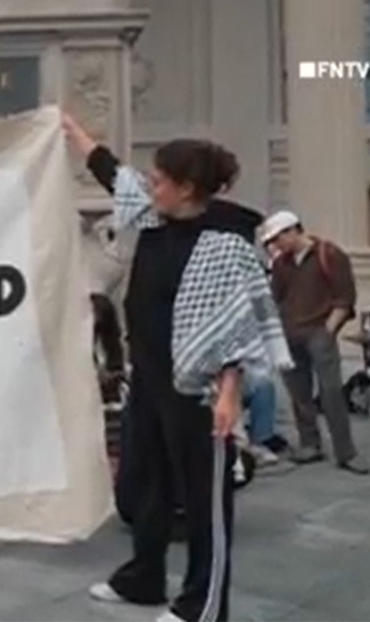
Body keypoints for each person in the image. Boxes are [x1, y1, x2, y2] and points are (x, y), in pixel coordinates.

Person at [65, 113, 289, 622]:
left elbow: (236, 327)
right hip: (149, 379)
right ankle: (144, 579)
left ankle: (202, 605)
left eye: (159, 180)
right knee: (146, 483)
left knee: (204, 501)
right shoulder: (156, 219)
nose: (149, 185)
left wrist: (231, 394)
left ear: (186, 189)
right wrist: (77, 137)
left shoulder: (224, 243)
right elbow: (114, 174)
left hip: (199, 391)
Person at [260, 210, 370, 474]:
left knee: (331, 391)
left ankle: (346, 451)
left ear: (293, 231)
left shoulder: (330, 255)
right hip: (290, 332)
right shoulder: (282, 263)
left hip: (318, 331)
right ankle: (310, 444)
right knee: (299, 393)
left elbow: (344, 298)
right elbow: (275, 298)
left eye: (278, 239)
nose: (276, 245)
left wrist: (328, 331)